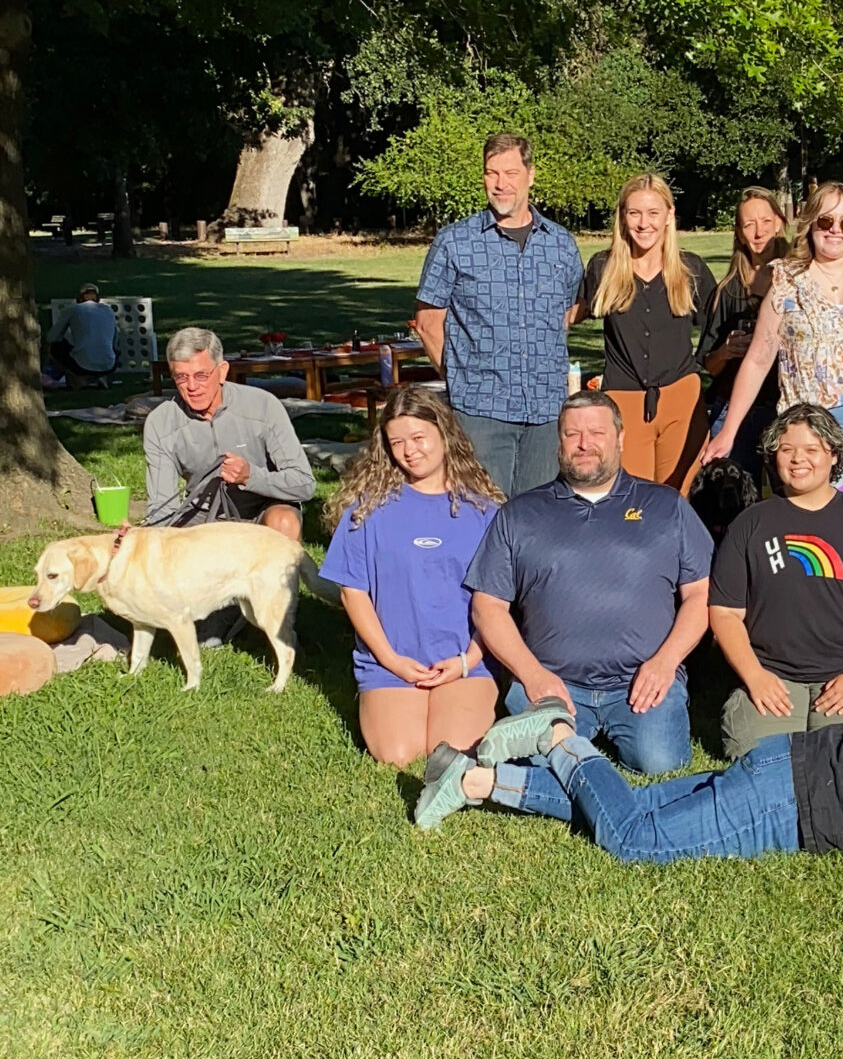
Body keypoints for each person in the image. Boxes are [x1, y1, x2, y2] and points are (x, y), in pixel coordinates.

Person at [414, 655, 843, 861]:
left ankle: (474, 778)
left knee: (637, 804)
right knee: (633, 840)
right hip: (793, 799)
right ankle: (556, 736)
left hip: (793, 777)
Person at [465, 391, 714, 774]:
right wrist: (532, 675)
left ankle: (568, 753)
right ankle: (554, 748)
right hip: (552, 683)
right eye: (572, 434)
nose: (584, 444)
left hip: (642, 680)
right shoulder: (520, 514)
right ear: (559, 442)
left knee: (660, 764)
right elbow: (487, 607)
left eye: (596, 432)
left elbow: (701, 593)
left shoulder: (666, 506)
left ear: (620, 438)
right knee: (542, 765)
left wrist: (665, 663)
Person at [708, 404, 843, 757]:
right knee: (764, 763)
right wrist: (755, 677)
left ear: (833, 455)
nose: (797, 460)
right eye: (787, 449)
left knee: (842, 762)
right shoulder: (750, 523)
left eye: (811, 450)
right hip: (774, 678)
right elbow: (725, 613)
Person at [702, 181, 843, 509]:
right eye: (825, 221)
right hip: (813, 429)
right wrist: (729, 430)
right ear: (810, 225)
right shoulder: (785, 280)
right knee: (823, 528)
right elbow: (758, 359)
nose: (836, 230)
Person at [317, 385, 504, 765]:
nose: (409, 451)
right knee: (397, 756)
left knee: (450, 752)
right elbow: (354, 594)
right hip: (391, 662)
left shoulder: (484, 511)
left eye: (419, 437)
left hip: (466, 661)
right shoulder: (366, 511)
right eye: (397, 441)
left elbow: (500, 600)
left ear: (444, 434)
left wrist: (469, 659)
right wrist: (391, 660)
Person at [414, 132, 584, 498]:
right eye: (492, 174)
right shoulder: (455, 242)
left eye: (510, 173)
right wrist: (461, 378)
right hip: (481, 410)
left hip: (546, 408)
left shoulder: (560, 243)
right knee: (483, 515)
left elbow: (567, 313)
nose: (501, 184)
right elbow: (429, 323)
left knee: (539, 517)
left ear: (530, 175)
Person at [570, 173, 718, 486]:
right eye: (634, 213)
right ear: (622, 217)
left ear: (669, 215)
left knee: (677, 501)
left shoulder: (691, 270)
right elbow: (566, 316)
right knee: (629, 502)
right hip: (623, 400)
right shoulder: (603, 267)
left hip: (681, 399)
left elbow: (717, 329)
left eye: (653, 213)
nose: (643, 223)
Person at [141, 327, 316, 540]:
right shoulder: (161, 422)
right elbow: (162, 507)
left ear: (222, 370)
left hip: (260, 509)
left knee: (284, 521)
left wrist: (251, 476)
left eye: (201, 375)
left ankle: (283, 573)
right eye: (181, 378)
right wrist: (141, 540)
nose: (192, 386)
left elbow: (304, 484)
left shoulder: (262, 405)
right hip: (201, 516)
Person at [697, 188, 791, 478]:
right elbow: (708, 365)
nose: (759, 232)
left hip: (785, 409)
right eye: (749, 224)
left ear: (779, 223)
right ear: (739, 233)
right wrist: (727, 351)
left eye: (765, 221)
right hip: (733, 412)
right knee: (731, 501)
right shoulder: (727, 291)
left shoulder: (800, 280)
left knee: (788, 499)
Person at [46, 283, 118, 386]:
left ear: (79, 298)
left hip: (82, 366)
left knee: (55, 347)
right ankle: (100, 377)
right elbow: (115, 339)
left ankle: (78, 378)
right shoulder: (108, 310)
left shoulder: (74, 310)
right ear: (98, 298)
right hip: (109, 365)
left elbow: (51, 337)